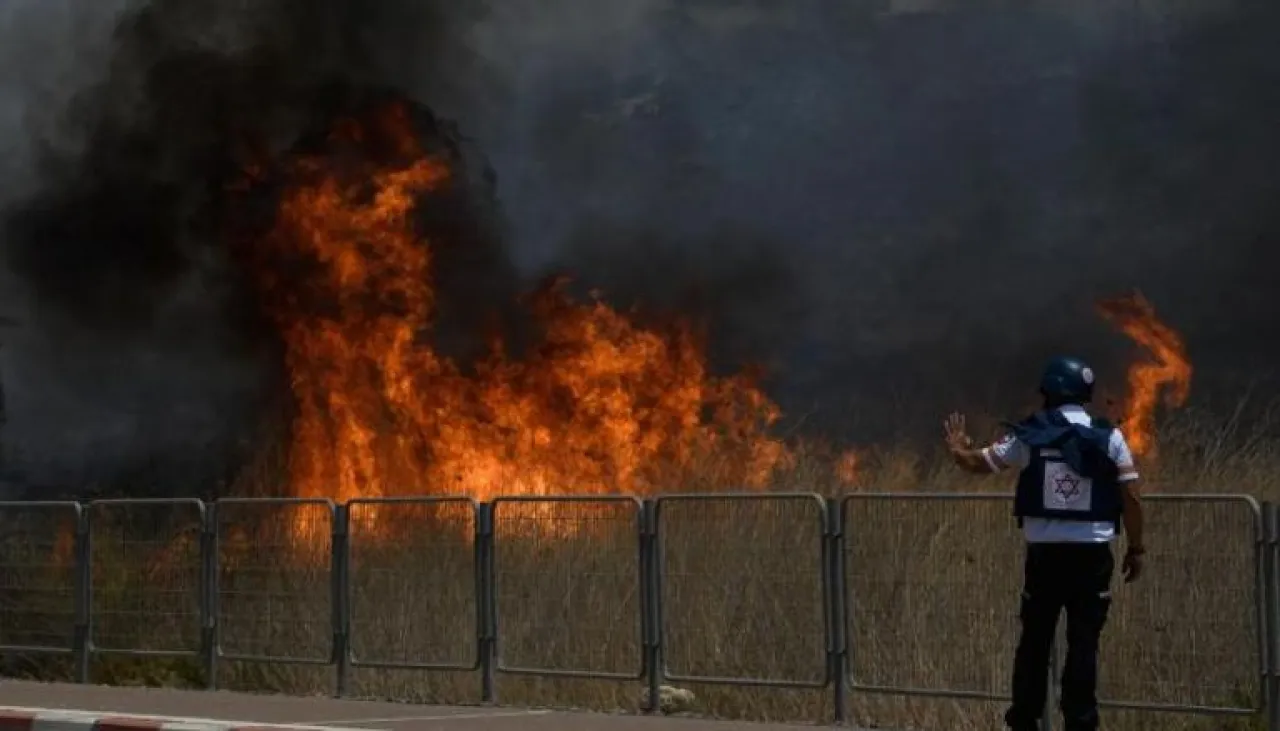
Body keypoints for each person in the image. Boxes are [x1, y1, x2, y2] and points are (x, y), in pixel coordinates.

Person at [942, 356, 1145, 731]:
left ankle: (1024, 721)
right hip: (1093, 557)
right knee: (1084, 644)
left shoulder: (1029, 437)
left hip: (1045, 557)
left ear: (1048, 392)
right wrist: (1137, 547)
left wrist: (957, 448)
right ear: (1085, 394)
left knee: (1035, 642)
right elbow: (1131, 498)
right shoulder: (1111, 437)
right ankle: (1081, 723)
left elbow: (978, 464)